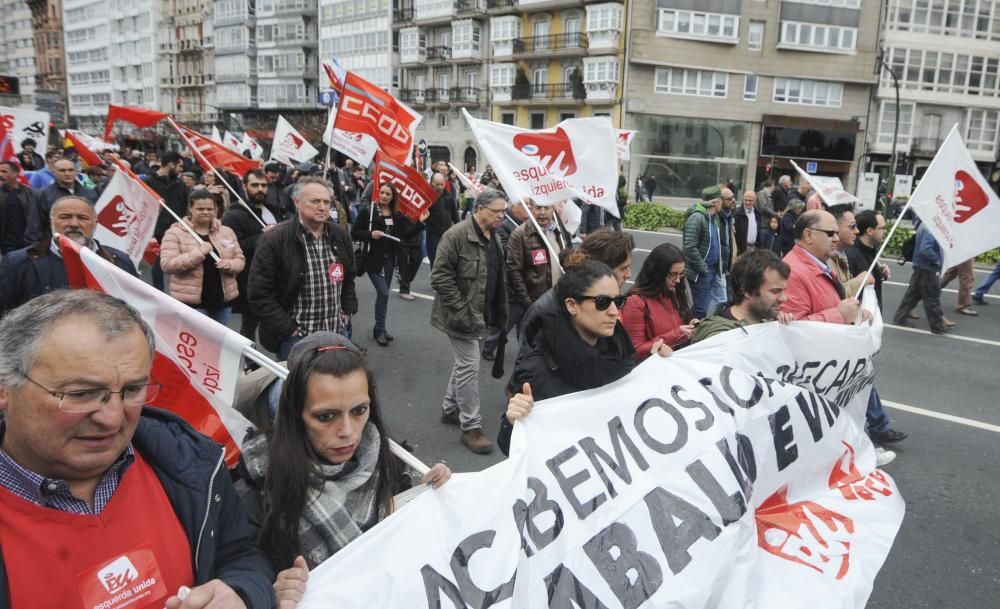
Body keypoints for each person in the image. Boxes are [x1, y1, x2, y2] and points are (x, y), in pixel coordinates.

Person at [0, 290, 275, 608]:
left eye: (132, 390)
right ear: (6, 388)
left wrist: (241, 592)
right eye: (82, 393)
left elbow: (240, 554)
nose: (113, 418)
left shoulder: (190, 463)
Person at [235, 332, 450, 590]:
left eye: (359, 410)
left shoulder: (390, 465)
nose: (348, 431)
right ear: (295, 415)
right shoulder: (254, 494)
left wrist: (438, 496)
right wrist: (269, 592)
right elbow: (242, 571)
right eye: (326, 416)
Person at [499, 259, 672, 455]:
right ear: (572, 305)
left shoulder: (620, 351)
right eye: (602, 302)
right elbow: (509, 448)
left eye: (618, 301)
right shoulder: (537, 371)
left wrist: (652, 366)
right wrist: (512, 421)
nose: (614, 312)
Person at [430, 189, 509, 454]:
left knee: (464, 363)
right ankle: (471, 427)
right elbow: (439, 277)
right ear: (479, 208)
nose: (501, 215)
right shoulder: (456, 235)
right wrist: (462, 311)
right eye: (496, 211)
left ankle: (449, 408)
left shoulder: (494, 237)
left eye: (503, 211)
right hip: (460, 317)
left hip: (480, 315)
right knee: (469, 366)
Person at [248, 176, 358, 360]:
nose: (322, 207)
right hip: (296, 339)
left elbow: (349, 277)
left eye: (326, 202)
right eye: (315, 201)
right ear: (297, 202)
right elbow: (259, 293)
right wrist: (289, 329)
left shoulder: (339, 235)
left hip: (335, 332)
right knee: (299, 388)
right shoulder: (275, 239)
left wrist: (347, 310)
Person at [0, 196, 136, 315]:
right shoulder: (17, 263)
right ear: (51, 222)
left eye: (83, 218)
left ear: (95, 224)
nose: (74, 224)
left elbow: (135, 310)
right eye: (65, 217)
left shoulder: (120, 262)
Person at [842, 209, 909, 449]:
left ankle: (873, 426)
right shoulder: (851, 255)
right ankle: (876, 428)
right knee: (863, 376)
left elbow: (869, 283)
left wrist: (880, 274)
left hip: (869, 323)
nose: (884, 232)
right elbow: (846, 292)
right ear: (870, 230)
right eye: (881, 228)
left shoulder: (871, 253)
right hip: (857, 326)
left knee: (862, 376)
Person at [351, 182, 429, 346]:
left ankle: (380, 328)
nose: (384, 196)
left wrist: (421, 223)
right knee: (384, 293)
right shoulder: (369, 212)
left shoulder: (396, 215)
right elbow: (354, 233)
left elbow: (406, 235)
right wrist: (371, 234)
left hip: (389, 260)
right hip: (373, 260)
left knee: (383, 296)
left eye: (388, 194)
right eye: (383, 193)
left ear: (393, 197)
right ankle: (380, 330)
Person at [160, 190, 246, 325]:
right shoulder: (174, 233)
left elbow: (240, 260)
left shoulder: (226, 231)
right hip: (193, 304)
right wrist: (198, 254)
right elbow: (167, 265)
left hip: (222, 301)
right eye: (200, 208)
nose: (205, 212)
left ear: (215, 209)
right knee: (199, 344)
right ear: (190, 209)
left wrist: (230, 264)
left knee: (219, 343)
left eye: (209, 209)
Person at [223, 169, 282, 343]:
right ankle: (249, 364)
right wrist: (262, 237)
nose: (260, 189)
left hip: (276, 278)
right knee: (249, 325)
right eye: (255, 185)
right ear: (245, 187)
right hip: (251, 280)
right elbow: (230, 247)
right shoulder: (234, 215)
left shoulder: (273, 210)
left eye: (263, 185)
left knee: (276, 324)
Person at [781, 210, 865, 325]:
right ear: (808, 235)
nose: (836, 238)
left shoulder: (820, 263)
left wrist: (857, 315)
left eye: (837, 233)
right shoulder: (792, 272)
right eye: (830, 233)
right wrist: (839, 315)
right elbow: (794, 327)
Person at [692, 248, 793, 342]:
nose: (783, 298)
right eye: (775, 291)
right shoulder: (719, 336)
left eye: (784, 291)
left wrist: (781, 329)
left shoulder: (766, 321)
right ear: (747, 291)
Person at [504, 200, 572, 336]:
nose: (542, 212)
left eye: (546, 207)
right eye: (538, 207)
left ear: (553, 209)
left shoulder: (560, 231)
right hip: (534, 301)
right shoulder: (521, 234)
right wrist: (527, 302)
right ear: (531, 209)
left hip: (558, 298)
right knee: (531, 345)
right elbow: (514, 270)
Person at [621, 243, 696, 361]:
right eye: (673, 274)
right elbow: (635, 351)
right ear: (657, 272)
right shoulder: (635, 302)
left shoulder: (673, 293)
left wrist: (690, 327)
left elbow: (678, 328)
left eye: (681, 275)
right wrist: (676, 334)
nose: (677, 280)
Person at [892, 221, 949, 334]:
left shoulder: (925, 223)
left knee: (913, 294)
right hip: (928, 268)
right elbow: (925, 249)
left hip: (920, 266)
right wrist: (937, 260)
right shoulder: (931, 227)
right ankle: (937, 326)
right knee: (932, 297)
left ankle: (900, 318)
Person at [25, 157, 98, 243]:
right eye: (62, 170)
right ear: (54, 172)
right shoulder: (42, 195)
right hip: (54, 246)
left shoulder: (90, 194)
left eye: (71, 170)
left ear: (76, 171)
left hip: (85, 246)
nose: (67, 173)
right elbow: (35, 226)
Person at [147, 151, 191, 291]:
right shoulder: (149, 182)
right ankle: (159, 291)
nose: (181, 170)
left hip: (179, 229)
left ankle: (180, 291)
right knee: (161, 260)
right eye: (179, 166)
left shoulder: (180, 185)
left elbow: (189, 203)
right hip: (158, 229)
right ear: (171, 164)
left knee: (178, 261)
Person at [683, 186, 724, 319]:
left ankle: (687, 329)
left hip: (711, 270)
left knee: (702, 306)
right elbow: (689, 247)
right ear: (716, 202)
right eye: (721, 201)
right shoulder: (697, 218)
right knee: (700, 309)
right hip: (700, 271)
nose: (722, 204)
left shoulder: (714, 218)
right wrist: (703, 269)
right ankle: (691, 335)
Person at [425, 172, 459, 266]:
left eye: (442, 184)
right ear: (432, 183)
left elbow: (455, 215)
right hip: (433, 236)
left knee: (447, 263)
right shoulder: (427, 197)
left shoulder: (449, 196)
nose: (440, 187)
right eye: (437, 184)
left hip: (448, 235)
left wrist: (459, 230)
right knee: (435, 262)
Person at [0, 160, 33, 254]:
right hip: (7, 244)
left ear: (15, 174)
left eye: (4, 172)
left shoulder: (30, 193)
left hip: (28, 242)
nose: (1, 174)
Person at [734, 190, 762, 256]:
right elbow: (735, 235)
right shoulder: (737, 214)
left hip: (754, 248)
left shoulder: (758, 213)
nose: (747, 202)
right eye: (745, 200)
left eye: (750, 200)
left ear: (755, 200)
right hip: (742, 250)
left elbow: (758, 232)